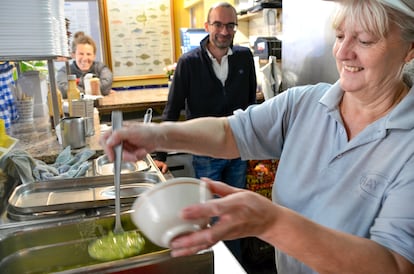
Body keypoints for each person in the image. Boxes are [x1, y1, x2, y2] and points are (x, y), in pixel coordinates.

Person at [101, 0, 414, 273]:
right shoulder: (304, 103)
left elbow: (396, 265)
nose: (344, 52)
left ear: (409, 49)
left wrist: (272, 223)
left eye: (366, 40)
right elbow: (229, 132)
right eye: (340, 36)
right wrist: (155, 136)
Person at [155, 1, 257, 260]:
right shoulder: (189, 63)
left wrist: (254, 144)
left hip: (238, 148)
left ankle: (235, 265)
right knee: (213, 214)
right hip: (205, 152)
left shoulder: (245, 57)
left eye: (230, 25)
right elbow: (173, 108)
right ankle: (219, 264)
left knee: (234, 213)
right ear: (206, 26)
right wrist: (160, 156)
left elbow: (251, 107)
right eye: (218, 24)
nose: (224, 31)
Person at [57, 31, 113, 98]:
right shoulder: (64, 71)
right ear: (73, 55)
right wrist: (94, 90)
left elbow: (105, 87)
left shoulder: (101, 68)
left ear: (94, 55)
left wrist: (77, 85)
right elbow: (64, 90)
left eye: (88, 54)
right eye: (81, 54)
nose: (85, 58)